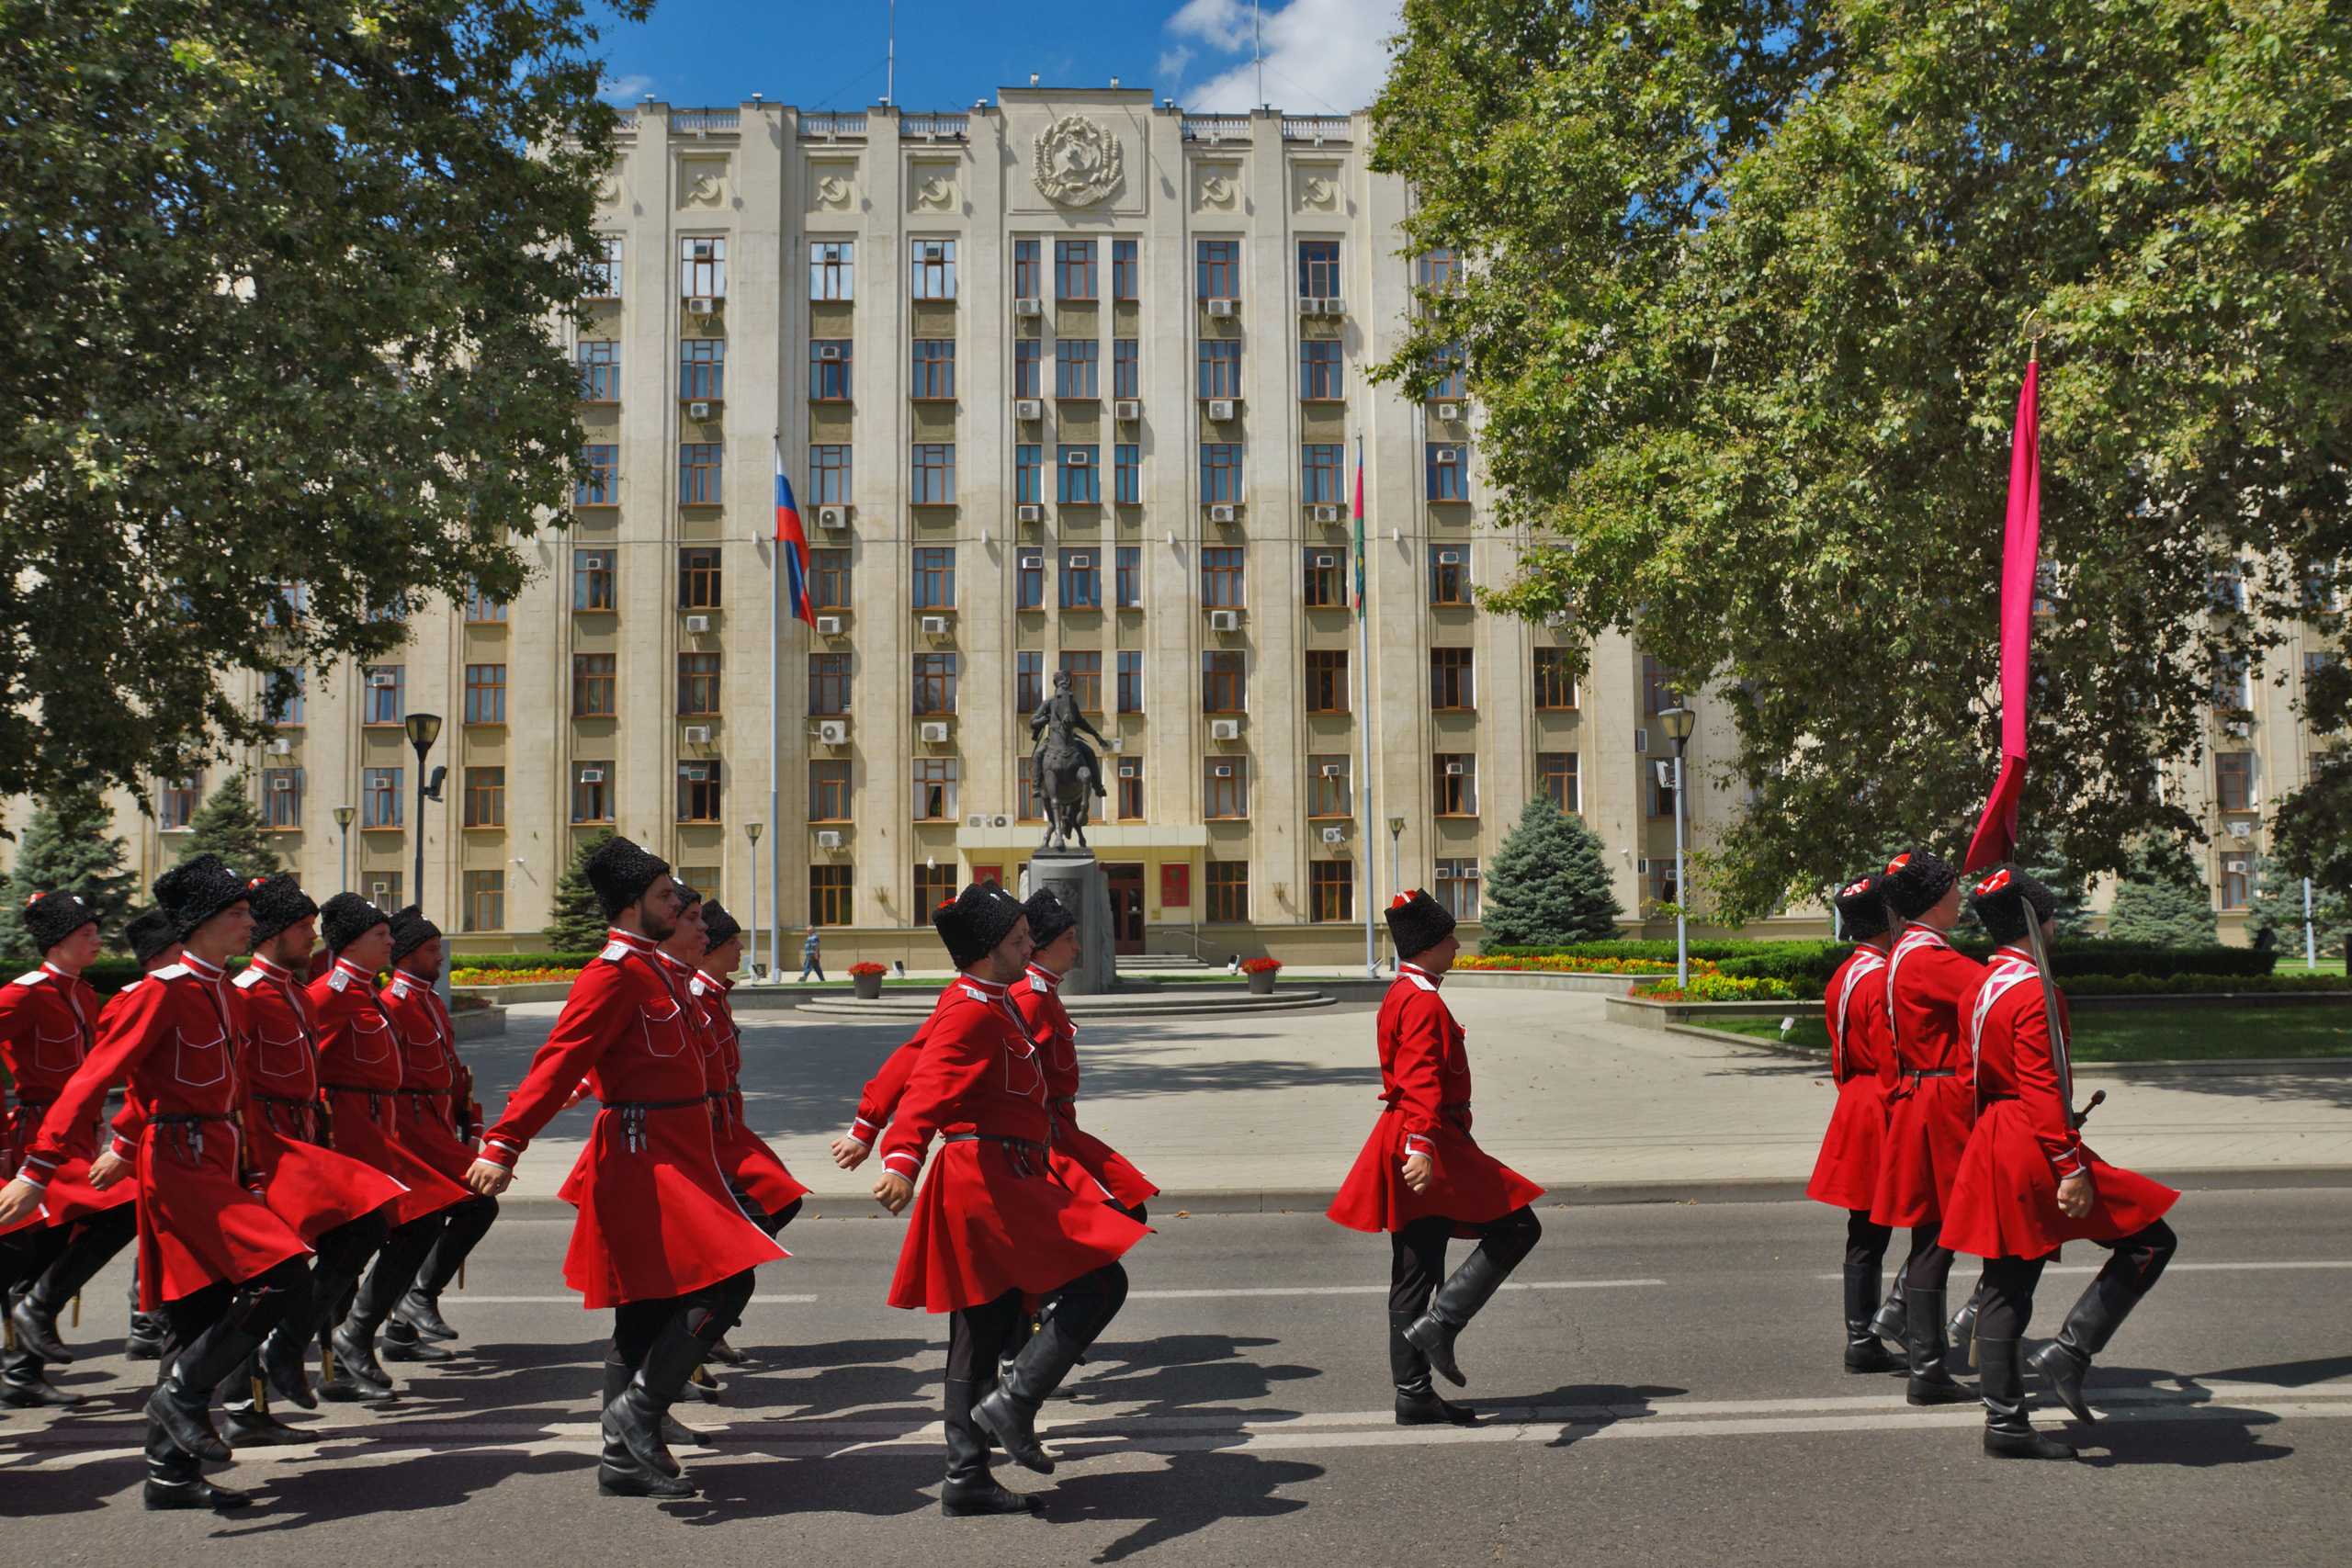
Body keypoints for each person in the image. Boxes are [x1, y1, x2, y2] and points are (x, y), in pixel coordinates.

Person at [464, 837, 786, 1499]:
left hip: (680, 1152)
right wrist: (503, 1143)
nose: (680, 903)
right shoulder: (612, 975)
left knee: (645, 1312)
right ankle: (636, 1413)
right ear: (634, 905)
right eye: (667, 895)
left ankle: (621, 1456)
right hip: (643, 1156)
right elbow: (557, 1065)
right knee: (728, 1282)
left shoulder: (660, 973)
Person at [0, 855, 314, 1511]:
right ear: (200, 924)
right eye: (235, 914)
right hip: (180, 1163)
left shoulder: (225, 990)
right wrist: (39, 1166)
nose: (248, 922)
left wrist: (254, 1167)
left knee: (196, 1309)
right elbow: (94, 1081)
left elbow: (236, 1089)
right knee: (285, 1272)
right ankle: (180, 1393)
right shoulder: (158, 991)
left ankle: (169, 1474)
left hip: (218, 1157)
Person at [873, 881, 1148, 1516]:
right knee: (1100, 1283)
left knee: (982, 1325)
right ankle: (1015, 1401)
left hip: (1007, 1171)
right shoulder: (973, 1007)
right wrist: (899, 1157)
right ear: (987, 947)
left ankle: (966, 1472)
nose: (1033, 945)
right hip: (985, 1176)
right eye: (1020, 938)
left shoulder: (995, 1000)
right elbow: (929, 1081)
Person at [1944, 866, 2180, 1459]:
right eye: (2048, 917)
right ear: (2033, 921)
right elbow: (2043, 1086)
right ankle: (2070, 1351)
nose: (2055, 926)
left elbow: (1972, 1077)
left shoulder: (1981, 986)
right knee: (2151, 1240)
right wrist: (2069, 1163)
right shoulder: (2034, 991)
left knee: (2006, 1282)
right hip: (2035, 1138)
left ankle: (2005, 1422)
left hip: (1996, 1134)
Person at [1328, 890, 1544, 1427]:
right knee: (1519, 1227)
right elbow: (1420, 1075)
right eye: (1450, 938)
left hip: (1411, 1135)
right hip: (1429, 1140)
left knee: (1416, 1267)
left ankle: (1413, 1393)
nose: (1457, 945)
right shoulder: (1423, 1000)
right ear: (1427, 945)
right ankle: (1442, 1325)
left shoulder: (1405, 990)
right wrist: (1423, 1145)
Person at [221, 874, 407, 1445]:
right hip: (264, 1142)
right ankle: (245, 1399)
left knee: (354, 1233)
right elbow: (233, 1081)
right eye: (302, 928)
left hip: (301, 1135)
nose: (312, 937)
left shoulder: (296, 991)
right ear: (274, 932)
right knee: (265, 1274)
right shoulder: (248, 992)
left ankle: (280, 1357)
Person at [307, 894, 471, 1398]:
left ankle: (356, 1339)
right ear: (352, 942)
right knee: (351, 1245)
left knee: (388, 1234)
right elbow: (303, 1070)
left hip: (378, 1130)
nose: (389, 942)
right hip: (348, 1135)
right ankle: (333, 1353)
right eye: (380, 935)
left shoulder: (367, 992)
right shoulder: (329, 994)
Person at [0, 891, 140, 1406]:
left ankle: (22, 1372)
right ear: (59, 941)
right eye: (87, 934)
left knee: (48, 1249)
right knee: (120, 1207)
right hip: (38, 1134)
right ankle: (32, 1322)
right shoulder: (23, 993)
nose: (98, 940)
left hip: (77, 1132)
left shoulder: (82, 994)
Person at [1871, 846, 1984, 1405]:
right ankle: (1931, 1365)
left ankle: (1925, 1356)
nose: (1961, 896)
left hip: (1924, 1095)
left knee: (1932, 1235)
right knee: (1943, 1234)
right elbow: (1996, 994)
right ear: (1938, 897)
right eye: (1955, 888)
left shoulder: (1906, 951)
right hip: (1943, 1100)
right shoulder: (1929, 958)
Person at [374, 906, 500, 1363]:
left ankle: (402, 1331)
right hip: (412, 1133)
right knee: (476, 1205)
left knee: (428, 1227)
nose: (440, 958)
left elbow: (452, 1074)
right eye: (431, 950)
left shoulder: (427, 999)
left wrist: (472, 1126)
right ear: (406, 955)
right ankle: (417, 1299)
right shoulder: (391, 1004)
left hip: (439, 1126)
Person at [1804, 873, 1902, 1373]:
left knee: (1865, 1229)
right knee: (1934, 1218)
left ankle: (1862, 1336)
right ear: (1887, 917)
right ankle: (1897, 1323)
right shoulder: (1883, 977)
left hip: (1854, 1102)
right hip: (1883, 1102)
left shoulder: (1845, 974)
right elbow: (1892, 1057)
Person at [1012, 888, 1158, 1222]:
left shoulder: (1045, 991)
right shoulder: (1030, 996)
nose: (1077, 947)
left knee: (1129, 1208)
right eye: (1069, 938)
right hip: (1046, 1136)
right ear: (1043, 949)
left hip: (1061, 1129)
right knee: (1115, 1217)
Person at [104, 907, 183, 1359]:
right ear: (155, 959)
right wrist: (124, 1140)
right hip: (150, 1125)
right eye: (177, 951)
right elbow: (135, 1077)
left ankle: (149, 1320)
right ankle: (145, 1319)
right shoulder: (131, 1000)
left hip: (187, 1127)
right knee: (153, 1224)